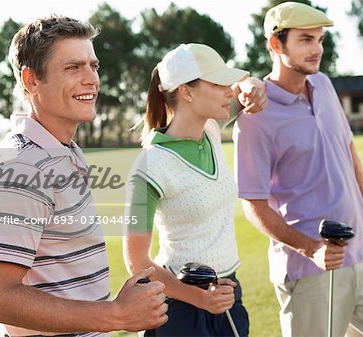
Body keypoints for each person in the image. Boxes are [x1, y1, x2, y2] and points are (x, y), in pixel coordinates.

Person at [0, 15, 168, 337]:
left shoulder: (65, 151)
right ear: (31, 80)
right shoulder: (21, 168)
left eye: (93, 66)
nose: (91, 79)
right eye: (73, 68)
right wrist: (117, 315)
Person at [233, 2, 363, 337]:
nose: (317, 50)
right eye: (305, 40)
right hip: (310, 271)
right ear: (275, 44)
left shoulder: (324, 85)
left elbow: (347, 144)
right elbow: (253, 205)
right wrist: (311, 249)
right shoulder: (255, 118)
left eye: (320, 40)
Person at [123, 43, 265, 337]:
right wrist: (201, 299)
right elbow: (137, 261)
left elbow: (246, 90)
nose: (228, 90)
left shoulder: (211, 129)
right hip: (179, 310)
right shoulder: (149, 166)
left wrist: (252, 83)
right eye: (218, 83)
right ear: (186, 92)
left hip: (227, 295)